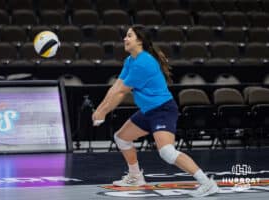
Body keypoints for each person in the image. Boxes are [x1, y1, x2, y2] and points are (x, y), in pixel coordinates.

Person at [92, 25, 219, 197]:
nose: (125, 39)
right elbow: (116, 88)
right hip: (148, 111)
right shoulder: (130, 60)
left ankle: (207, 183)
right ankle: (136, 176)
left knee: (167, 152)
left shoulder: (144, 62)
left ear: (140, 41)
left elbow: (122, 92)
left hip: (162, 110)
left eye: (129, 36)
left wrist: (102, 113)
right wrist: (100, 109)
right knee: (121, 138)